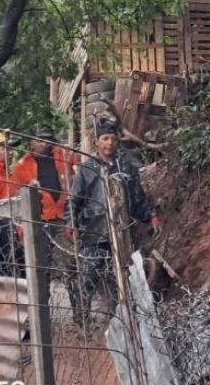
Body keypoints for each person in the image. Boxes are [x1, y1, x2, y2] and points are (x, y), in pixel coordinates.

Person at [68, 120, 159, 329]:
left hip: (120, 233)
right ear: (96, 142)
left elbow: (137, 199)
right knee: (88, 277)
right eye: (105, 139)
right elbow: (74, 200)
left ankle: (116, 325)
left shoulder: (127, 169)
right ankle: (82, 323)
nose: (110, 143)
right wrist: (71, 224)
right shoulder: (86, 169)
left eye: (114, 139)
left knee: (117, 280)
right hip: (94, 232)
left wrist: (151, 215)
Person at [10, 126, 76, 281]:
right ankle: (43, 298)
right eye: (39, 140)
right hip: (38, 220)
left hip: (63, 217)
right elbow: (15, 195)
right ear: (30, 143)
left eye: (47, 140)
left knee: (70, 261)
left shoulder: (64, 155)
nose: (44, 143)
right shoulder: (21, 166)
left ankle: (75, 296)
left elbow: (80, 165)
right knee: (40, 265)